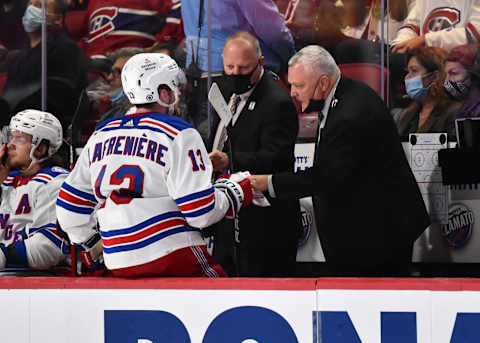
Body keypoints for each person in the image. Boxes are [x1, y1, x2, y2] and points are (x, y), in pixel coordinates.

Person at [56, 53, 253, 277]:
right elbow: (201, 212)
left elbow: (69, 208)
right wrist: (234, 191)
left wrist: (91, 242)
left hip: (117, 260)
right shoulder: (179, 132)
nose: (177, 93)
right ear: (162, 93)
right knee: (221, 289)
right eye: (173, 87)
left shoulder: (101, 133)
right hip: (170, 250)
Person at [248, 45, 430, 276]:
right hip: (368, 230)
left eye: (299, 85)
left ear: (323, 83)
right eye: (291, 84)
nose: (292, 92)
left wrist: (268, 183)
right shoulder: (346, 94)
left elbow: (324, 177)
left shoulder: (351, 113)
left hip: (378, 237)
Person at [208, 32, 301, 277]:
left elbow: (276, 157)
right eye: (230, 66)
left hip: (265, 222)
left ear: (260, 63)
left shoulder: (277, 101)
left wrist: (230, 159)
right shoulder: (223, 91)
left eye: (243, 67)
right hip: (226, 212)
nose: (235, 73)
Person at [181, 0, 296, 144]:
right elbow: (272, 31)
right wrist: (293, 60)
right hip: (240, 74)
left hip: (199, 73)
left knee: (208, 147)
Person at [0, 0, 89, 132]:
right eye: (30, 4)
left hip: (41, 132)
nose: (31, 9)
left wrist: (13, 116)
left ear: (58, 19)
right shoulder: (18, 58)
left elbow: (58, 96)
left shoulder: (67, 50)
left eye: (39, 6)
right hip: (12, 129)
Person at [0, 109, 69, 273]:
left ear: (41, 149)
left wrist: (4, 255)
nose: (10, 144)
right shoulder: (7, 179)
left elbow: (49, 246)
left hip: (39, 279)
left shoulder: (56, 182)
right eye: (11, 137)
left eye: (20, 139)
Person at [396, 47, 462, 137]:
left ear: (434, 77)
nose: (407, 77)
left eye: (414, 71)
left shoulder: (455, 112)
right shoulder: (408, 114)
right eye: (408, 71)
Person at [392, 0, 480, 54]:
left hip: (459, 65)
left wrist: (426, 40)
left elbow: (473, 35)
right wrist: (401, 43)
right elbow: (411, 26)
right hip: (424, 59)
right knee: (390, 57)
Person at [443, 44, 480, 135]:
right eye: (446, 75)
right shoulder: (462, 109)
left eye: (454, 73)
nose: (447, 81)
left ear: (474, 75)